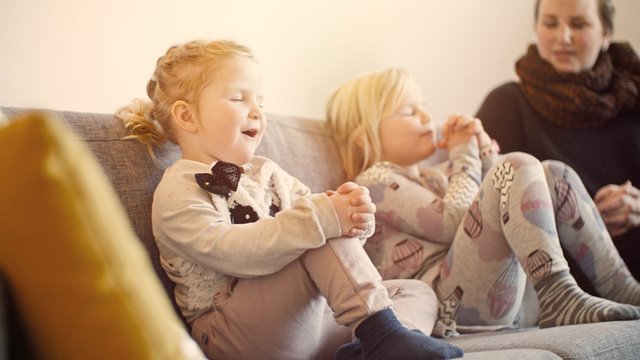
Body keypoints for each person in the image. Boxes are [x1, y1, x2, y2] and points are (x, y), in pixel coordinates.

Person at [115, 40, 463, 360]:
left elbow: (332, 244)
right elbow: (231, 251)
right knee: (315, 227)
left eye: (260, 102)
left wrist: (354, 220)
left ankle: (373, 346)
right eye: (239, 98)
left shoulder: (269, 172)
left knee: (415, 291)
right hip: (234, 332)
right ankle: (385, 338)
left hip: (308, 322)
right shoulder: (178, 189)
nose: (257, 111)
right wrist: (324, 218)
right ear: (187, 116)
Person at [326, 67, 640, 334]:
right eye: (410, 112)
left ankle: (624, 289)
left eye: (423, 105)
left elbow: (509, 198)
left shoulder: (436, 176)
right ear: (366, 137)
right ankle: (558, 294)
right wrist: (464, 154)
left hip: (508, 297)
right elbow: (454, 222)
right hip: (450, 310)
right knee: (516, 164)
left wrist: (483, 151)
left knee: (553, 173)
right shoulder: (373, 184)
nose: (426, 116)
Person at [476, 0, 640, 285]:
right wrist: (577, 220)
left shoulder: (634, 103)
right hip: (550, 283)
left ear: (606, 34)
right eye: (550, 23)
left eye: (578, 24)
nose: (562, 37)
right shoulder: (508, 104)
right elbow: (481, 213)